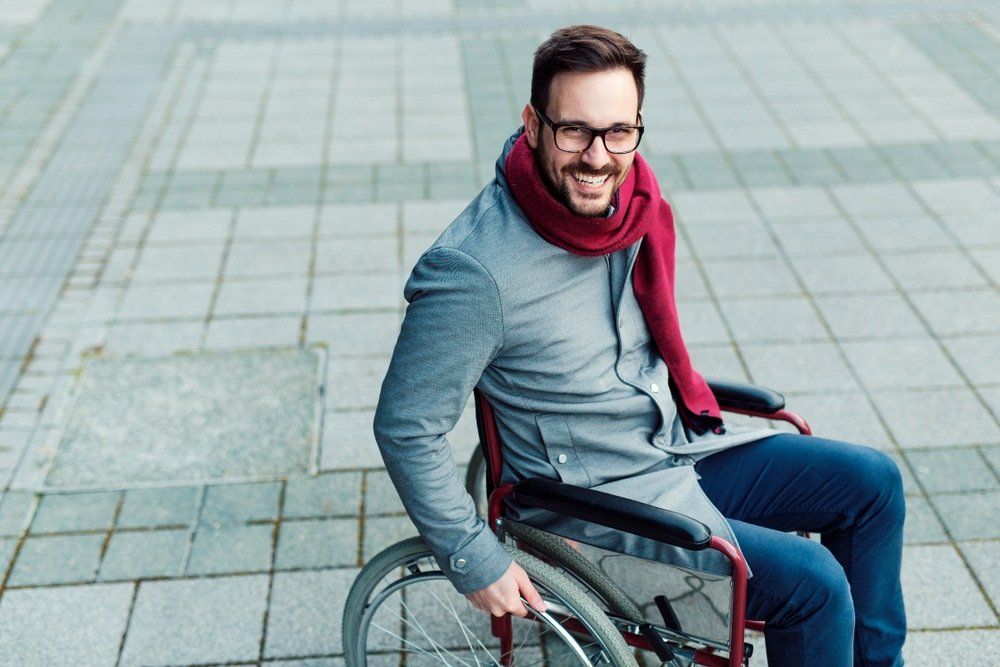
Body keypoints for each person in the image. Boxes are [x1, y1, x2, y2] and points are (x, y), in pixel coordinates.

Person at [373, 24, 905, 667]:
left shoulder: (632, 204)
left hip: (670, 447)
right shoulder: (474, 271)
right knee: (812, 584)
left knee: (872, 483)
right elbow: (407, 426)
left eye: (618, 131)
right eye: (575, 131)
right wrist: (471, 555)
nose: (598, 158)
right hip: (594, 508)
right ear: (533, 125)